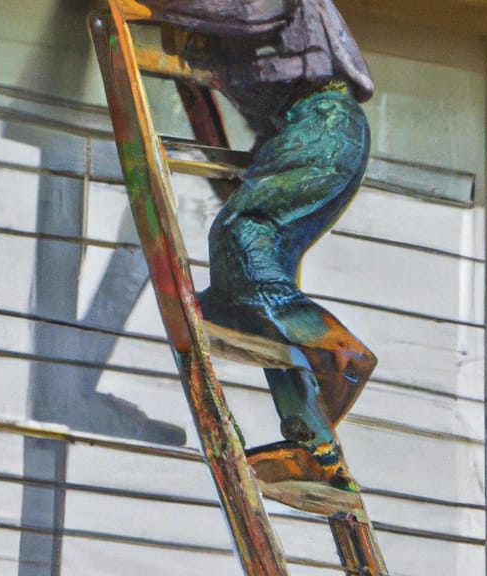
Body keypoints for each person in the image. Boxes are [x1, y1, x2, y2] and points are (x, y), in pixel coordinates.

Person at [137, 0, 377, 491]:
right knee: (246, 304)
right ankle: (316, 451)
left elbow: (250, 11)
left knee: (240, 235)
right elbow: (204, 103)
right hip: (313, 134)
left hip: (322, 125)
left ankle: (342, 356)